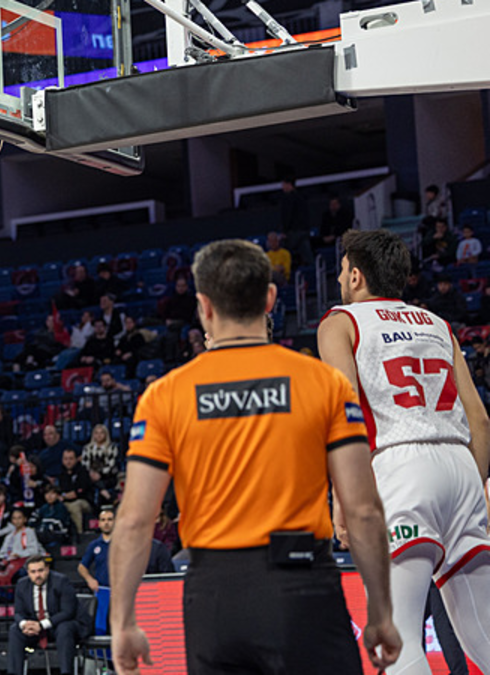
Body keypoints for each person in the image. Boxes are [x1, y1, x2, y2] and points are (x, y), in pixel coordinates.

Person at [110, 239, 401, 674]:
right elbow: (362, 509)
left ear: (204, 307)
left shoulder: (164, 396)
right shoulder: (324, 384)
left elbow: (134, 519)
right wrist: (380, 612)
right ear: (269, 298)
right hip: (303, 587)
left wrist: (123, 621)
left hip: (212, 597)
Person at [319, 229, 490, 674]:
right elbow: (482, 420)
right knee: (486, 637)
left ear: (355, 275)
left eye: (341, 270)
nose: (340, 279)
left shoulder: (340, 321)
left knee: (396, 639)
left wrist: (344, 498)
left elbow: (346, 410)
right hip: (461, 465)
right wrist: (475, 489)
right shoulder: (438, 325)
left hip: (400, 467)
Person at [8, 556, 85, 675]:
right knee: (15, 630)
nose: (37, 575)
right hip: (36, 629)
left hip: (59, 626)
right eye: (33, 572)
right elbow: (18, 612)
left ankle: (66, 672)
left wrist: (42, 625)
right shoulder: (22, 584)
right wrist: (25, 624)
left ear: (47, 569)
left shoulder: (60, 581)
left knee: (65, 628)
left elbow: (68, 612)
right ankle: (14, 673)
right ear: (28, 573)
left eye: (40, 570)